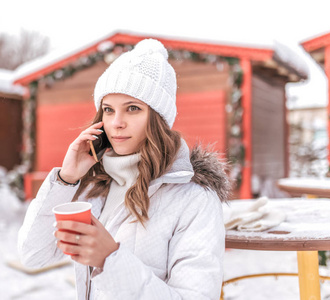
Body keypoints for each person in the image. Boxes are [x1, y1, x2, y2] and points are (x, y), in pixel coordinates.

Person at [17, 38, 231, 300]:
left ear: (158, 118)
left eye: (132, 109)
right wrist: (66, 179)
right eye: (108, 110)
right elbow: (33, 255)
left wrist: (110, 260)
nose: (116, 123)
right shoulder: (96, 186)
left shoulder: (193, 198)